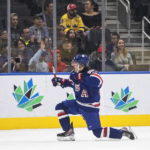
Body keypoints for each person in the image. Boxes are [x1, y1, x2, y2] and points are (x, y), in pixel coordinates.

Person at [51, 54, 135, 141]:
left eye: (76, 64)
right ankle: (69, 132)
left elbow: (98, 81)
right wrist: (60, 81)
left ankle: (123, 131)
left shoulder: (92, 73)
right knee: (60, 107)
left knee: (98, 133)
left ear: (82, 65)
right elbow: (73, 83)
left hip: (90, 108)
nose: (73, 66)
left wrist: (81, 78)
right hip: (78, 103)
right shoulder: (74, 74)